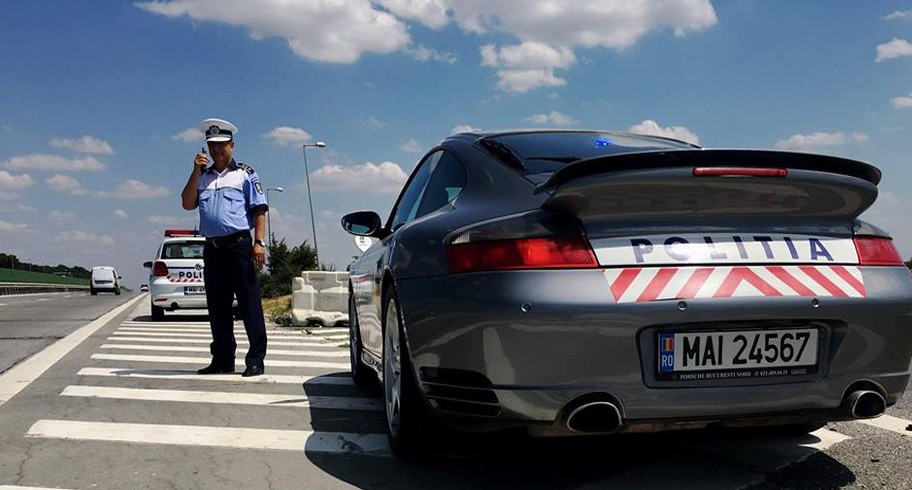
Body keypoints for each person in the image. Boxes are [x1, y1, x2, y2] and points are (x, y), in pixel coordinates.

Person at [181, 118, 269, 377]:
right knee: (217, 307)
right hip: (213, 249)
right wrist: (196, 171)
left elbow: (259, 210)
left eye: (221, 145)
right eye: (212, 145)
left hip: (238, 247)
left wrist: (259, 243)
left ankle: (255, 360)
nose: (216, 150)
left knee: (249, 304)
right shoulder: (203, 177)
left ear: (232, 145)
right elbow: (187, 204)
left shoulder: (244, 173)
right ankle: (222, 359)